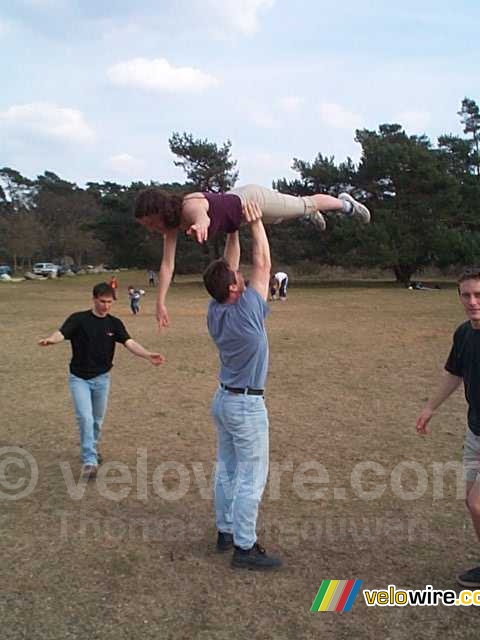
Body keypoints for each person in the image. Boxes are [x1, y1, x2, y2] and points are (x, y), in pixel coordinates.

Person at [134, 184, 371, 328]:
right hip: (241, 212)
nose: (152, 229)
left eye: (152, 222)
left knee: (303, 204)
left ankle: (345, 203)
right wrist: (160, 302)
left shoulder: (189, 206)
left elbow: (202, 215)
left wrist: (201, 225)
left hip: (251, 199)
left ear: (162, 211)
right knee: (285, 214)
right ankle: (307, 214)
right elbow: (167, 266)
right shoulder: (171, 229)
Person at [203, 201, 281, 571]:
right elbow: (262, 263)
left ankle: (225, 530)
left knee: (228, 468)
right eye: (237, 278)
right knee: (251, 475)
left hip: (223, 400)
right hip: (246, 407)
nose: (243, 278)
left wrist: (231, 229)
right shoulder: (248, 308)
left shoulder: (215, 308)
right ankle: (244, 548)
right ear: (234, 288)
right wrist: (255, 223)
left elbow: (232, 267)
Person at [38, 282, 165, 478]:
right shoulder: (78, 319)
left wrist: (148, 355)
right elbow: (61, 333)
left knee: (96, 421)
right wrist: (51, 339)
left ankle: (91, 449)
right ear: (94, 299)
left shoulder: (114, 324)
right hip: (79, 378)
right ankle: (89, 460)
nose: (105, 306)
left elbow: (129, 343)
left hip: (102, 379)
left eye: (109, 302)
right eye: (102, 301)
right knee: (85, 418)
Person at [416, 267, 480, 587]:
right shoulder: (464, 334)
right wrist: (430, 408)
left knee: (477, 502)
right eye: (466, 295)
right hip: (474, 432)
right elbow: (454, 373)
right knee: (472, 500)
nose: (472, 301)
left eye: (478, 295)